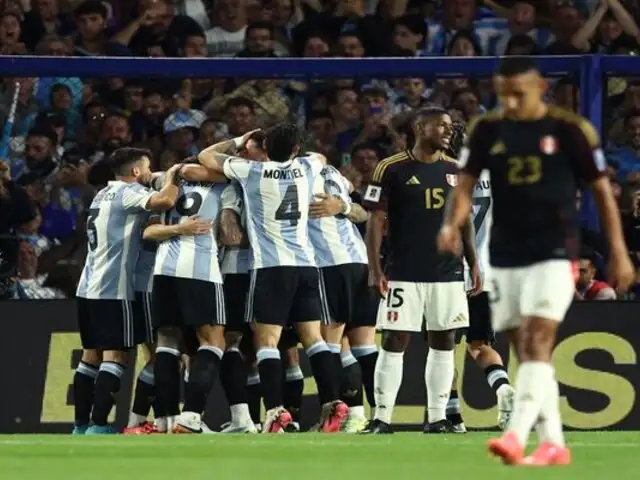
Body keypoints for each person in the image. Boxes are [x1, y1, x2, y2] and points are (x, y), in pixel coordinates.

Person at [438, 56, 634, 466]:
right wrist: (452, 224)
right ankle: (554, 442)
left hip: (555, 252)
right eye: (503, 93)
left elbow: (602, 192)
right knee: (526, 349)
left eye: (519, 93)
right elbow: (465, 184)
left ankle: (515, 435)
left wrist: (617, 250)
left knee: (539, 340)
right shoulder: (487, 129)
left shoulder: (569, 130)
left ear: (540, 87)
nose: (510, 101)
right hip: (503, 257)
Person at [198, 123, 349, 433]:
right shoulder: (308, 166)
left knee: (266, 342)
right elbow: (319, 157)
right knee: (314, 340)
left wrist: (240, 138)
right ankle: (332, 403)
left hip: (270, 267)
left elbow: (205, 156)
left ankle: (276, 411)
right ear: (296, 149)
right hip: (306, 266)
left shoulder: (250, 172)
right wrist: (294, 152)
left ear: (264, 149)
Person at [361, 107, 481, 435]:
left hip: (448, 272)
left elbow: (465, 220)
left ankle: (438, 417)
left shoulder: (456, 169)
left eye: (449, 126)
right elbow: (376, 221)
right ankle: (382, 418)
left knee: (444, 342)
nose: (447, 131)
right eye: (440, 125)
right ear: (419, 127)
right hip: (403, 272)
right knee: (395, 341)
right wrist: (376, 268)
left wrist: (474, 262)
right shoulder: (391, 168)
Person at [73, 147, 180, 434]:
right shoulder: (127, 193)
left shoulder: (102, 193)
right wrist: (174, 174)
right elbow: (166, 199)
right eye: (146, 168)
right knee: (116, 357)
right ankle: (98, 426)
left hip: (87, 286)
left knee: (90, 356)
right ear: (135, 172)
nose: (149, 172)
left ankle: (80, 426)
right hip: (113, 287)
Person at [142, 151, 236, 434]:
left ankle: (165, 421)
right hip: (200, 270)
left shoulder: (167, 184)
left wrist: (175, 171)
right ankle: (191, 416)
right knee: (214, 342)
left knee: (167, 343)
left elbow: (149, 231)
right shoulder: (227, 184)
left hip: (163, 270)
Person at [447, 121, 515, 433]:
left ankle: (452, 416)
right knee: (478, 345)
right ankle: (502, 389)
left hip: (445, 273)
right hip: (484, 274)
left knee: (442, 347)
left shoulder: (443, 174)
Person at [307, 164, 370, 432]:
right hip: (360, 261)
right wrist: (343, 207)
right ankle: (368, 415)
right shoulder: (332, 173)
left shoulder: (297, 174)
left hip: (330, 263)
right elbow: (361, 211)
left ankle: (333, 417)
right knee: (361, 346)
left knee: (329, 343)